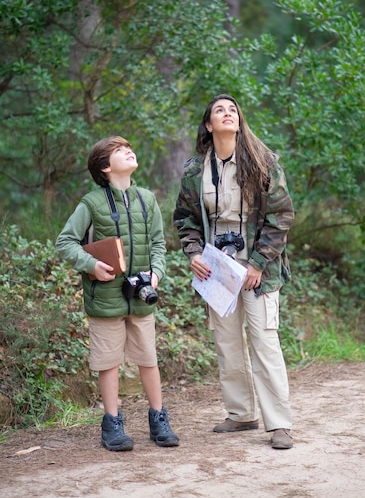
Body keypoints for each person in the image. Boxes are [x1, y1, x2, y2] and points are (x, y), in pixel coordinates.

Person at [173, 95, 294, 449]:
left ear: (240, 121)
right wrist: (194, 252)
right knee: (227, 342)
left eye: (232, 110)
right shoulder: (196, 169)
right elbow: (185, 218)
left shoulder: (263, 161)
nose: (227, 113)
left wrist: (257, 263)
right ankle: (241, 414)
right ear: (208, 125)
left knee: (264, 340)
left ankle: (280, 424)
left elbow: (282, 217)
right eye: (218, 111)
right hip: (217, 267)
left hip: (260, 265)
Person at [56, 136, 179, 452]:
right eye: (118, 150)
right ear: (105, 167)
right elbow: (65, 242)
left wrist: (157, 273)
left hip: (141, 295)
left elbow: (158, 245)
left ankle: (158, 419)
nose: (128, 151)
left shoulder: (147, 199)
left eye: (129, 147)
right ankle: (112, 424)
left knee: (148, 359)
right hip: (105, 298)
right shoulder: (91, 203)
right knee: (108, 362)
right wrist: (92, 265)